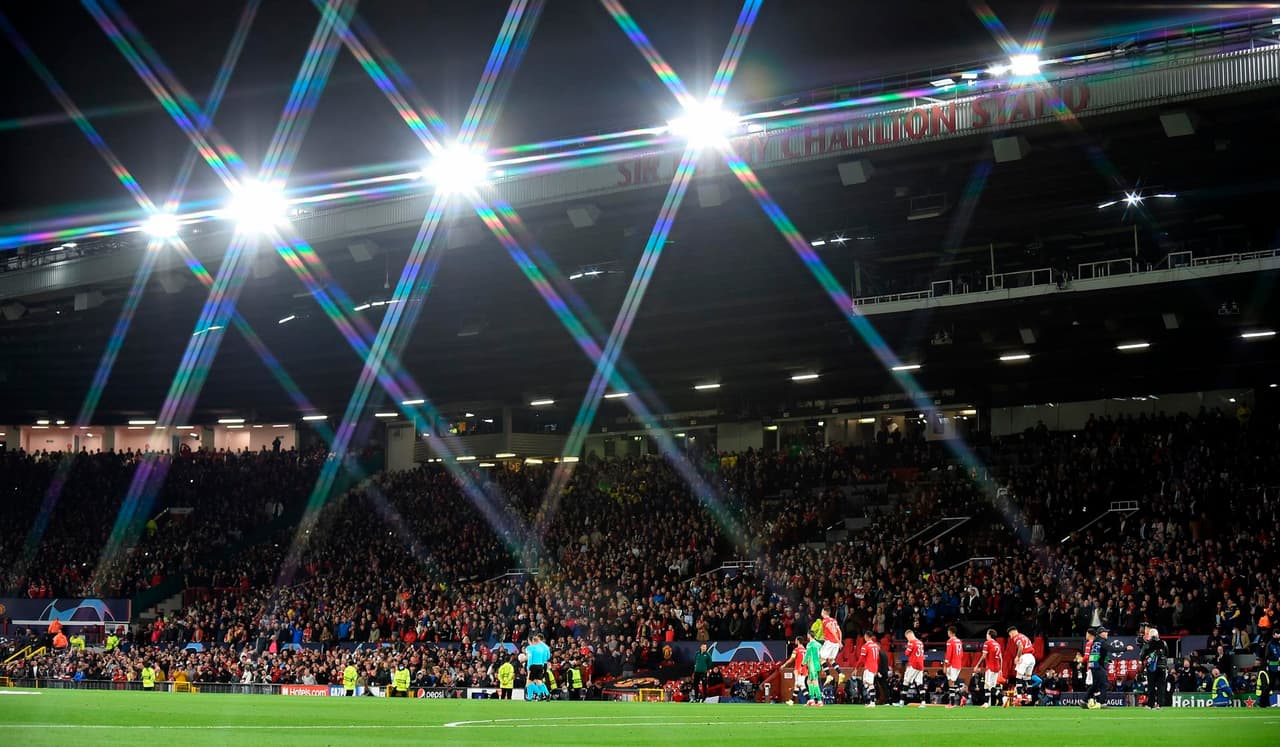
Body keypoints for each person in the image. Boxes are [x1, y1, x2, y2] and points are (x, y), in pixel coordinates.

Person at [972, 628, 1003, 709]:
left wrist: (977, 665)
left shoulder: (987, 643)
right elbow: (1001, 658)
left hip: (990, 667)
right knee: (990, 686)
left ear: (989, 635)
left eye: (987, 634)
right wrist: (1000, 669)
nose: (986, 635)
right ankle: (986, 703)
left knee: (988, 686)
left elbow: (984, 656)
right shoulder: (997, 644)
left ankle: (1002, 697)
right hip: (997, 667)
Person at [1139, 626, 1168, 709]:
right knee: (1161, 686)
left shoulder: (1147, 644)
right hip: (1162, 667)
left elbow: (1141, 656)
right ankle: (1159, 704)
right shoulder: (1163, 643)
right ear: (1157, 635)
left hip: (1151, 667)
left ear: (1150, 635)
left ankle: (1150, 704)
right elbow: (1167, 653)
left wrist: (1142, 662)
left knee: (1151, 686)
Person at [1008, 625, 1035, 705]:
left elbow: (1021, 647)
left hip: (1025, 657)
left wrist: (1017, 657)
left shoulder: (1016, 637)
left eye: (1010, 634)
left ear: (1012, 632)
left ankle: (1019, 697)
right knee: (1028, 677)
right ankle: (1029, 697)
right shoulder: (1024, 636)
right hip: (1031, 657)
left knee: (1018, 676)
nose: (1010, 637)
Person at [900, 629, 925, 706]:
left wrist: (908, 645)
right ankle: (923, 702)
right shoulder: (920, 642)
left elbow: (907, 653)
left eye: (907, 637)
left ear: (909, 635)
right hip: (921, 664)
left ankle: (901, 701)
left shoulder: (911, 642)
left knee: (906, 681)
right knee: (919, 683)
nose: (907, 639)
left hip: (914, 664)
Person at [783, 635, 809, 705]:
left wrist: (784, 665)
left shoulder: (796, 650)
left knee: (800, 685)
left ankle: (809, 700)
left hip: (798, 670)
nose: (795, 641)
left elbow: (792, 659)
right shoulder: (805, 650)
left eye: (795, 640)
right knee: (798, 685)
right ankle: (792, 701)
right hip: (804, 669)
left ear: (798, 641)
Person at [858, 631, 881, 708]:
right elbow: (877, 658)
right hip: (874, 666)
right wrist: (877, 669)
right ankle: (871, 699)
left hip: (869, 667)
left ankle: (872, 701)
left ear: (866, 636)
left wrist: (856, 668)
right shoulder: (876, 646)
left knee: (870, 684)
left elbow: (861, 659)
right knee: (865, 683)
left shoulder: (865, 646)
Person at [526, 634, 551, 701]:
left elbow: (530, 658)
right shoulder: (544, 648)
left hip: (533, 665)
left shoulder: (530, 648)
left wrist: (528, 667)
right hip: (541, 665)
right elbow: (548, 657)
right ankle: (547, 694)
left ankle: (533, 695)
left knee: (529, 682)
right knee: (539, 681)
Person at [820, 607, 842, 682]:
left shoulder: (825, 620)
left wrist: (838, 641)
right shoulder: (834, 620)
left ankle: (829, 676)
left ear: (824, 612)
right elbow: (839, 631)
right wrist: (839, 641)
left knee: (822, 659)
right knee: (831, 660)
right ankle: (840, 673)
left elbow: (832, 631)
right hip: (836, 643)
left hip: (830, 642)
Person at [944, 625, 965, 708]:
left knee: (951, 683)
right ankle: (962, 697)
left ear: (950, 632)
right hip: (958, 663)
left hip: (952, 664)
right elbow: (962, 654)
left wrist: (945, 665)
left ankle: (952, 703)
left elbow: (948, 654)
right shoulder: (959, 641)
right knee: (951, 682)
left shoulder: (950, 641)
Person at [804, 630, 824, 708]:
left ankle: (819, 701)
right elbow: (821, 656)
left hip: (812, 665)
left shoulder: (810, 644)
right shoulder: (819, 645)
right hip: (817, 664)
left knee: (815, 682)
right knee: (809, 681)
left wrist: (803, 663)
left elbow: (807, 655)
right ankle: (812, 700)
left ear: (809, 635)